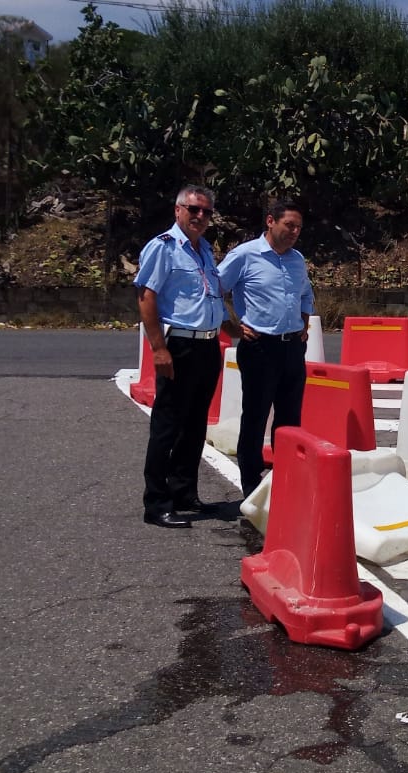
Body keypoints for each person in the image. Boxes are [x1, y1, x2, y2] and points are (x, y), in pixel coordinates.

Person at [135, 185, 227, 529]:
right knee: (168, 425)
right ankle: (157, 502)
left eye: (206, 212)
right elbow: (147, 297)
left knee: (194, 423)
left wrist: (231, 329)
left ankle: (184, 491)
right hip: (179, 346)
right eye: (193, 209)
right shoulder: (163, 248)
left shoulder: (204, 250)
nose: (200, 216)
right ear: (178, 211)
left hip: (207, 345)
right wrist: (158, 349)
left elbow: (209, 297)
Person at [217, 198, 314, 497]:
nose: (294, 231)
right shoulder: (245, 256)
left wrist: (304, 322)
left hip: (291, 348)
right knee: (256, 416)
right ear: (270, 221)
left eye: (298, 227)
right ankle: (250, 482)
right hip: (259, 347)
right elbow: (214, 289)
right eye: (289, 225)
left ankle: (286, 478)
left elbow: (306, 294)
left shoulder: (297, 259)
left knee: (289, 418)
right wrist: (229, 326)